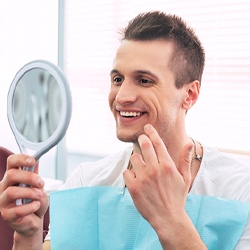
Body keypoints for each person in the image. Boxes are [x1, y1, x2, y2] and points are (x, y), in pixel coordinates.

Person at [0, 11, 250, 249]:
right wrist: (27, 236)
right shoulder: (85, 182)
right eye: (117, 79)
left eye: (144, 80)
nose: (122, 97)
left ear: (190, 94)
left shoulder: (240, 192)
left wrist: (172, 221)